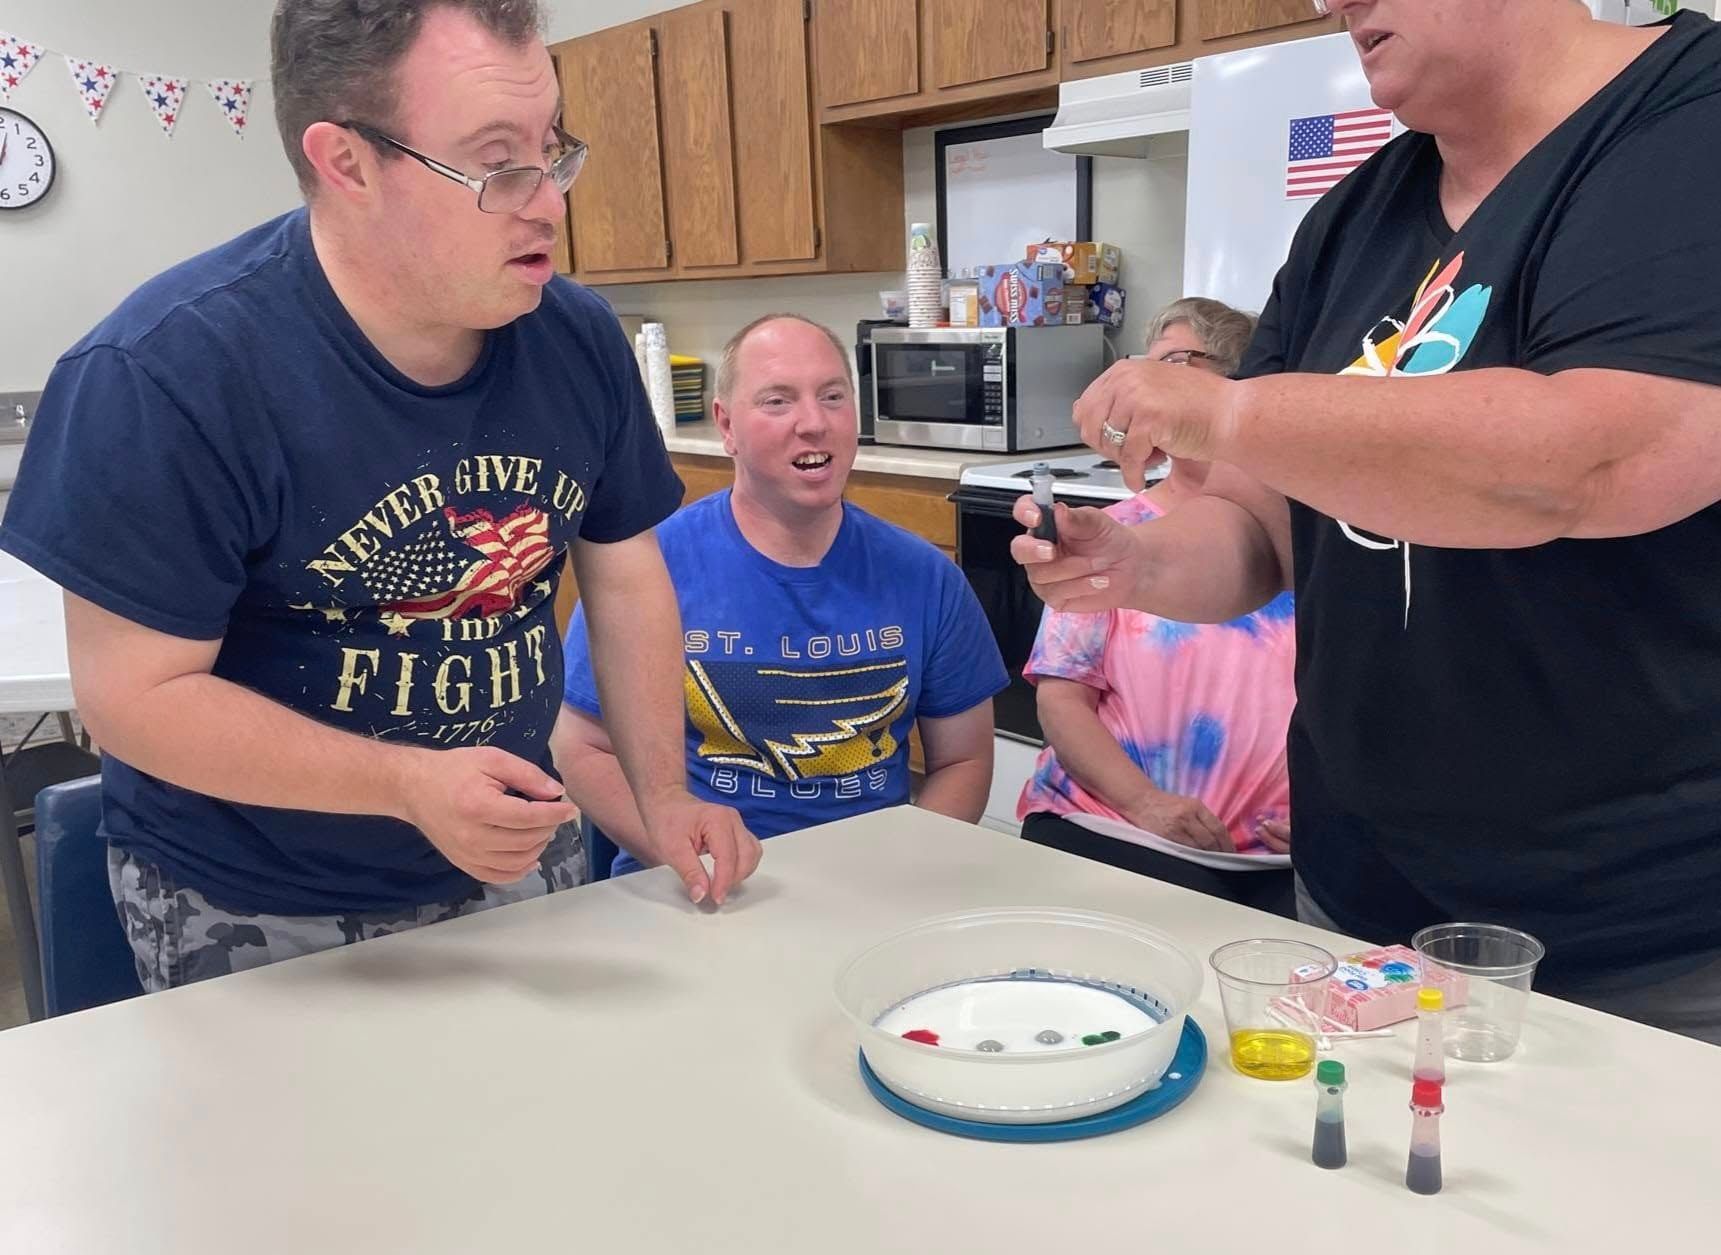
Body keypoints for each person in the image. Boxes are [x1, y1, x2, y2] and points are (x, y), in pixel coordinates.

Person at [0, 0, 753, 992]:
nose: (548, 203)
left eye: (551, 148)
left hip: (515, 853)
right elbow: (133, 697)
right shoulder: (164, 376)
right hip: (252, 896)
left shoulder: (576, 341)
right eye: (496, 165)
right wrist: (404, 784)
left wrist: (663, 794)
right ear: (345, 163)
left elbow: (625, 582)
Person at [1012, 2, 1721, 1042]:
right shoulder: (1354, 216)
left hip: (1642, 940)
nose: (1329, 2)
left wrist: (1231, 410)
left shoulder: (1682, 123)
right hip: (1356, 905)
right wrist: (1135, 560)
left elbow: (1601, 454)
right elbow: (1261, 528)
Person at [557, 315, 1007, 878]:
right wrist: (689, 856)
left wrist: (900, 870)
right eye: (777, 401)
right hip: (692, 885)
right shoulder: (647, 571)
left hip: (871, 882)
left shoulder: (924, 576)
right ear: (727, 426)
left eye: (833, 396)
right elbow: (583, 749)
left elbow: (963, 761)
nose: (813, 423)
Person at [1016, 299, 1297, 917]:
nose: (1144, 387)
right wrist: (1146, 804)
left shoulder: (1312, 541)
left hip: (1279, 859)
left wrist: (1332, 820)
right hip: (1113, 827)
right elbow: (1062, 698)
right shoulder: (1114, 536)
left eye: (1174, 363)